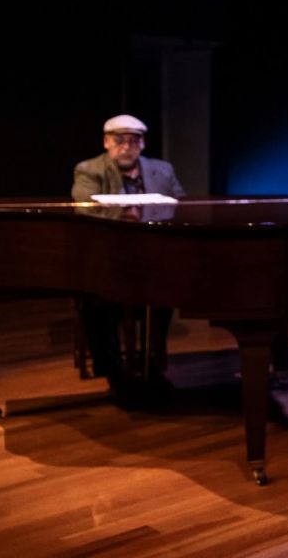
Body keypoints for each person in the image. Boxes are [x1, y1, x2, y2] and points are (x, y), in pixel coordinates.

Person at [72, 114, 185, 405]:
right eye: (119, 140)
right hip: (107, 259)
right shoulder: (89, 170)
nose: (126, 147)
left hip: (151, 258)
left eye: (133, 141)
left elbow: (182, 206)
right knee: (97, 302)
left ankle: (153, 368)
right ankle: (115, 375)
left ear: (142, 143)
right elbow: (84, 209)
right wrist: (125, 213)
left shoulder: (162, 170)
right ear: (106, 142)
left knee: (164, 295)